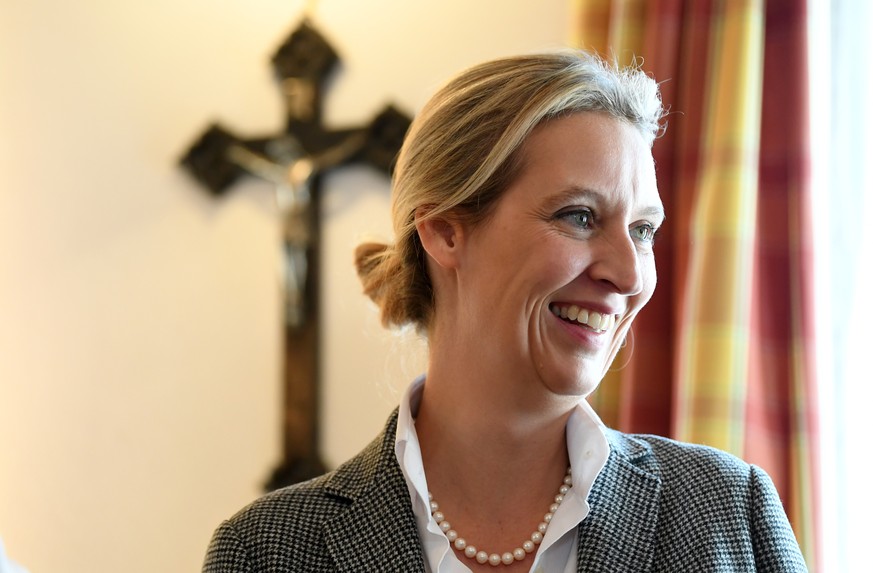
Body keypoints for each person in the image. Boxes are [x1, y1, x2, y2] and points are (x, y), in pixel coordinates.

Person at [203, 51, 807, 572]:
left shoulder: (729, 513)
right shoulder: (266, 552)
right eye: (579, 216)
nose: (628, 275)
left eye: (644, 229)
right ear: (445, 233)